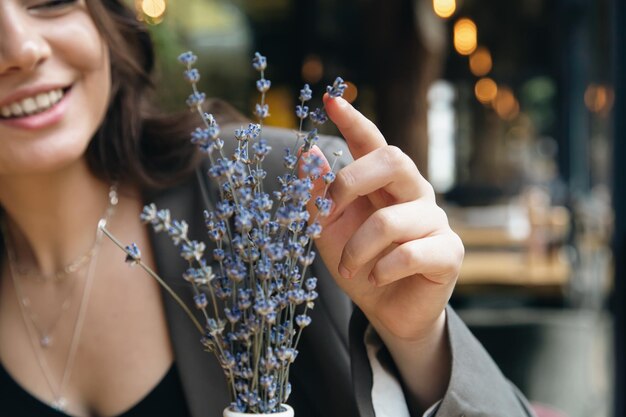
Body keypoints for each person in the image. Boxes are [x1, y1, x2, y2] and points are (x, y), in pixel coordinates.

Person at [0, 1, 535, 416]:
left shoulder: (283, 195)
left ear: (105, 23)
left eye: (50, 1)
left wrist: (419, 343)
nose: (19, 47)